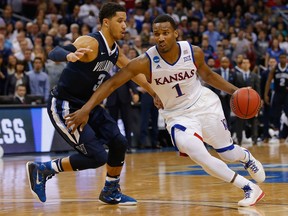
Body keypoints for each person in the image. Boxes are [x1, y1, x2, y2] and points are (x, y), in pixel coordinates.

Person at [65, 14, 266, 207]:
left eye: (165, 32)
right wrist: (86, 108)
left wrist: (237, 91)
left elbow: (209, 76)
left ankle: (245, 157)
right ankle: (248, 187)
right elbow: (111, 84)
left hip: (204, 104)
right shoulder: (146, 61)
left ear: (176, 33)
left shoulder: (193, 52)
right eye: (156, 33)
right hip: (177, 115)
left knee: (229, 154)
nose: (160, 37)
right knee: (197, 152)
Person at [26, 2, 158, 205]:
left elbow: (133, 73)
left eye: (126, 21)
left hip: (89, 105)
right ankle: (43, 169)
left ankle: (110, 190)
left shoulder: (114, 50)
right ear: (106, 22)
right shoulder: (91, 42)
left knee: (119, 142)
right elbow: (54, 52)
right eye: (120, 21)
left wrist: (153, 92)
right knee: (96, 157)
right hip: (65, 105)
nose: (125, 26)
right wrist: (68, 55)